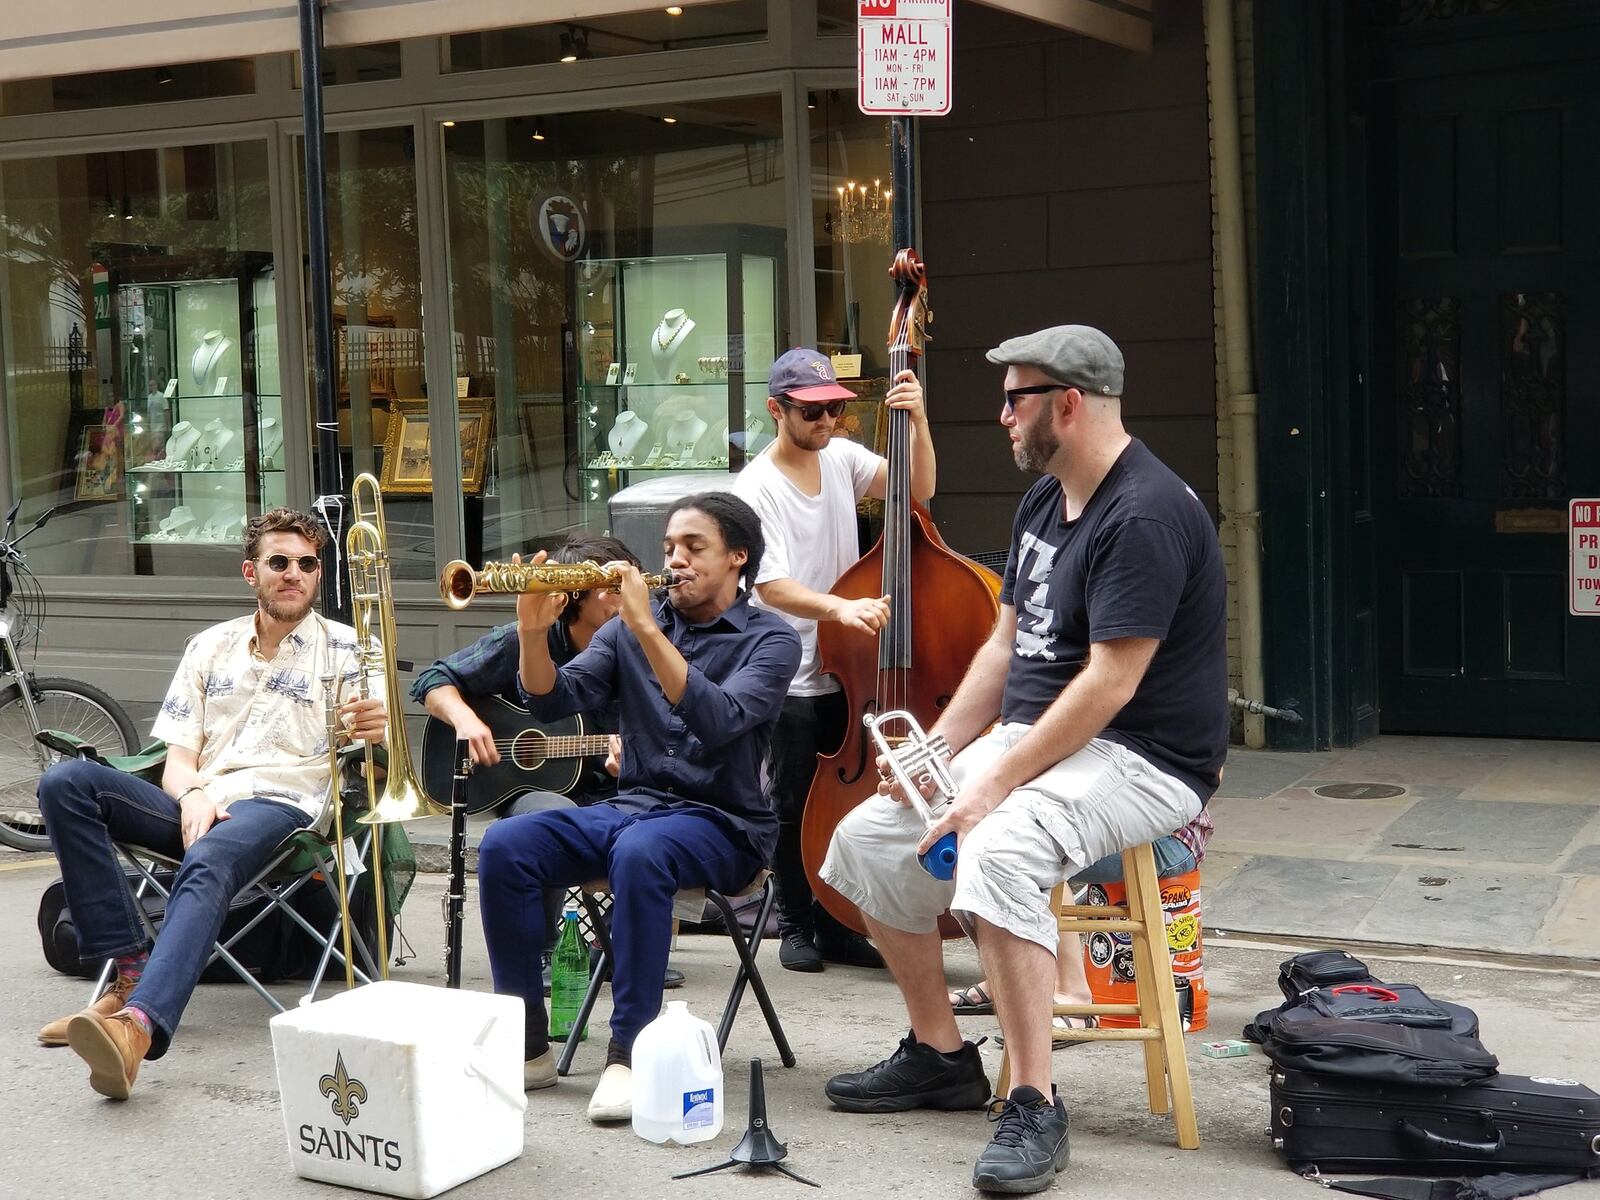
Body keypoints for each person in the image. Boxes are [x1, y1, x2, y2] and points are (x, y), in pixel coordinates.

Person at [820, 325, 1227, 1195]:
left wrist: (988, 790)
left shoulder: (1145, 513)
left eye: (1016, 398)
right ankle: (940, 1053)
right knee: (866, 836)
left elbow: (1111, 684)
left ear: (1068, 404)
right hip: (1038, 742)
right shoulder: (1046, 500)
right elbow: (1008, 646)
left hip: (1141, 757)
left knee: (999, 847)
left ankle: (1035, 1102)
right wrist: (937, 751)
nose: (1000, 416)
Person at [35, 508, 386, 1100]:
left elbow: (370, 764)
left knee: (212, 856)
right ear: (252, 571)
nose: (294, 574)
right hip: (198, 801)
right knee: (65, 783)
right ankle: (130, 967)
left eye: (307, 564)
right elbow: (177, 759)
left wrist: (375, 734)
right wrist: (194, 792)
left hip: (283, 807)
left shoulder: (350, 650)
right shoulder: (210, 646)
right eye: (279, 562)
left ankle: (137, 1029)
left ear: (319, 574)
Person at [477, 492, 801, 1123]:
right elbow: (553, 700)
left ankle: (631, 1054)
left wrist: (648, 629)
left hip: (726, 825)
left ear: (739, 557)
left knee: (641, 851)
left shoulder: (773, 641)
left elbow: (719, 720)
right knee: (506, 846)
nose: (675, 560)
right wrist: (531, 632)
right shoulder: (628, 628)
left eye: (694, 548)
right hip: (637, 807)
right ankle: (528, 1048)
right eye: (670, 548)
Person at [733, 347, 935, 973]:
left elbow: (918, 489)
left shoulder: (842, 459)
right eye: (813, 412)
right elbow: (770, 586)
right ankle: (794, 919)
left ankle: (839, 920)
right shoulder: (754, 488)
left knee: (847, 804)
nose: (828, 424)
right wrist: (837, 609)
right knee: (793, 804)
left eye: (836, 411)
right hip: (789, 667)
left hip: (850, 667)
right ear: (776, 409)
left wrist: (919, 421)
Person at [412, 533, 684, 991]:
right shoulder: (531, 638)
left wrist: (640, 763)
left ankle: (619, 943)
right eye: (608, 584)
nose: (626, 592)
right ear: (572, 597)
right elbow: (434, 678)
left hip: (617, 792)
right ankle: (539, 949)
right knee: (546, 817)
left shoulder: (650, 641)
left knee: (672, 812)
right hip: (534, 791)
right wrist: (464, 719)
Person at [948, 813, 1214, 1028]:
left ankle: (1074, 996)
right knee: (980, 834)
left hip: (1163, 838)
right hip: (1105, 827)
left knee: (1024, 850)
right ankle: (1007, 977)